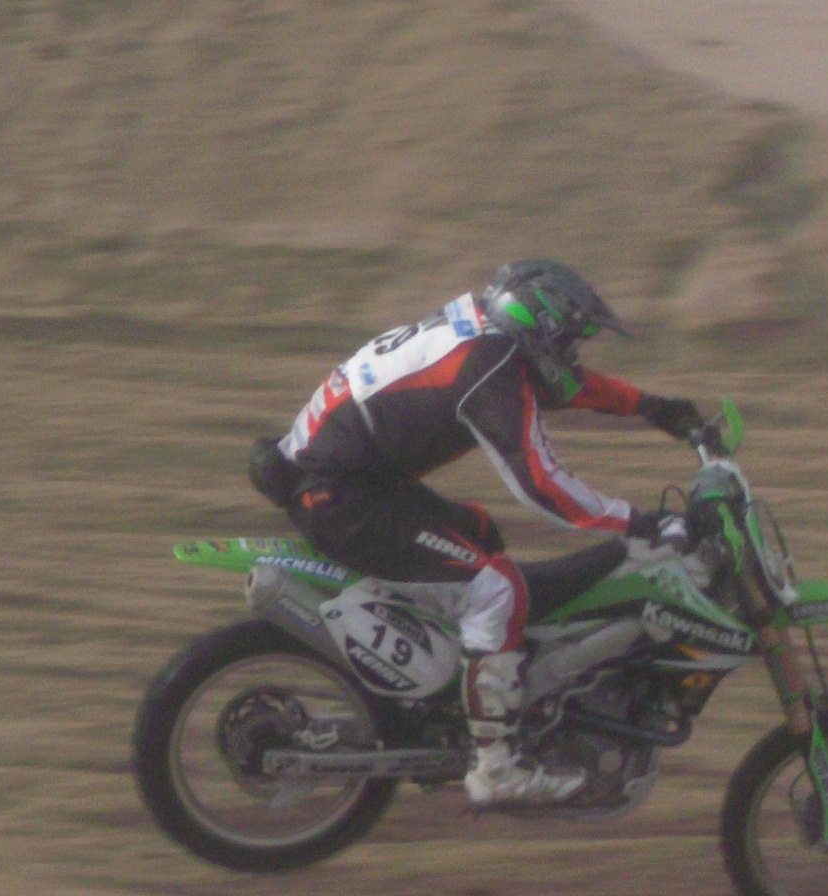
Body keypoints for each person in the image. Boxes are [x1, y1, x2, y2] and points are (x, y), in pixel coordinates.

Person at [252, 258, 704, 807]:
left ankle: (463, 690)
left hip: (349, 483)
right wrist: (639, 522)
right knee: (495, 590)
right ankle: (496, 767)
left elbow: (566, 386)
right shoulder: (487, 367)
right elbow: (541, 485)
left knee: (482, 535)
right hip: (339, 497)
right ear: (538, 328)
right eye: (567, 341)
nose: (571, 355)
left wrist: (652, 408)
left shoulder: (482, 339)